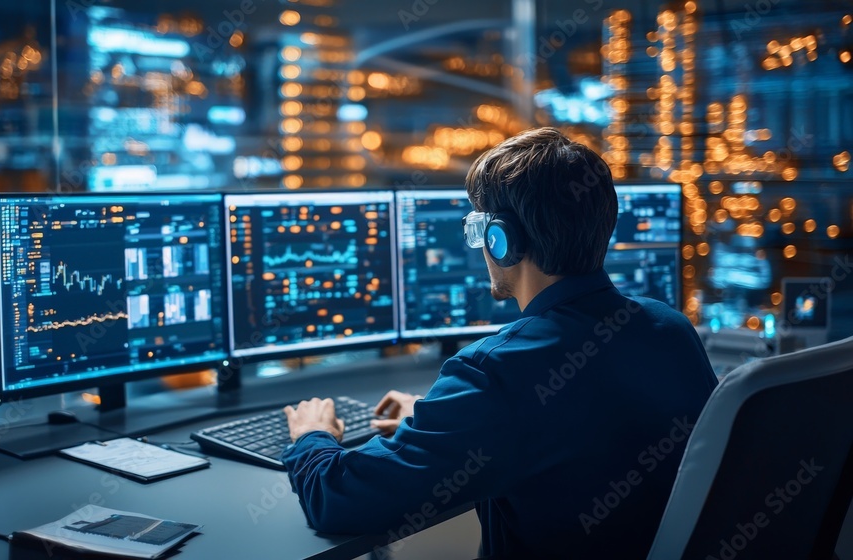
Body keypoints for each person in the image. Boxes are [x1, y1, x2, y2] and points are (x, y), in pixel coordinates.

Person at [282, 127, 718, 558]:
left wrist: (312, 436)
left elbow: (335, 499)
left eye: (479, 229)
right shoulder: (670, 328)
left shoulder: (495, 373)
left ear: (503, 240)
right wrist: (443, 421)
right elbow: (580, 428)